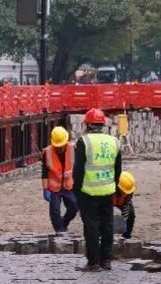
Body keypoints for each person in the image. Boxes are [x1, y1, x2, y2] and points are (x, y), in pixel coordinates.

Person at [73, 108, 121, 272]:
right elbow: (118, 169)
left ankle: (93, 262)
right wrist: (113, 186)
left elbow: (78, 171)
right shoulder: (114, 141)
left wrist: (77, 191)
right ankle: (106, 260)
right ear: (103, 124)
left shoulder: (84, 142)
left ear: (87, 124)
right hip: (108, 190)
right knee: (107, 225)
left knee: (91, 227)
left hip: (89, 192)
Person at [42, 126, 78, 234]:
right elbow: (44, 171)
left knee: (74, 206)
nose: (59, 148)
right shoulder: (47, 152)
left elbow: (78, 167)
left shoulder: (73, 149)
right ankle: (59, 230)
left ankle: (64, 222)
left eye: (61, 145)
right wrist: (45, 188)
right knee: (54, 210)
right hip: (54, 186)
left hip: (69, 185)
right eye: (57, 146)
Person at [113, 172, 136, 239]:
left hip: (120, 202)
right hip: (108, 202)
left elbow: (126, 209)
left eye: (126, 193)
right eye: (123, 192)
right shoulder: (108, 190)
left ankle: (126, 236)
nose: (125, 195)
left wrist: (122, 223)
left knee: (131, 214)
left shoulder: (128, 192)